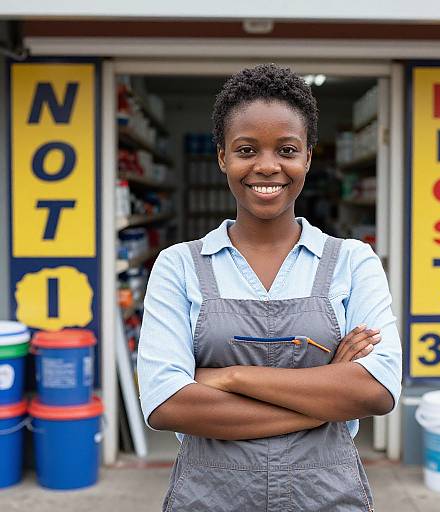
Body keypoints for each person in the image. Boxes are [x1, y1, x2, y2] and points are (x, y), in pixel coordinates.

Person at [137, 64, 402, 512]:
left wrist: (231, 377)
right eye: (246, 149)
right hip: (209, 498)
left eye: (286, 149)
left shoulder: (353, 261)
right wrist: (328, 393)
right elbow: (166, 405)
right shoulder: (179, 265)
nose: (267, 166)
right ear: (222, 156)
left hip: (328, 498)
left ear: (308, 158)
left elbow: (376, 391)